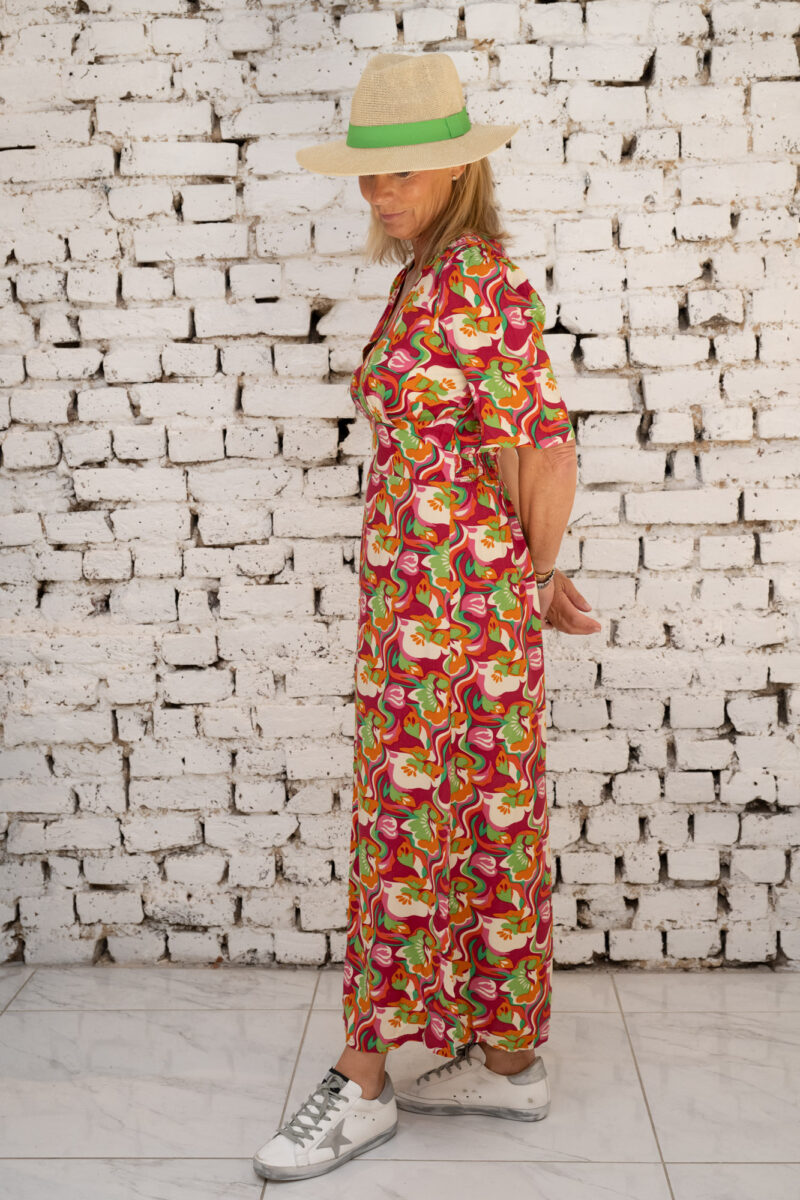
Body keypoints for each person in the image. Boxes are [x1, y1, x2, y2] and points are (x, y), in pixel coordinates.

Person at [253, 50, 601, 1184]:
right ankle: (508, 1063)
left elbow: (542, 448)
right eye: (369, 171)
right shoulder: (428, 277)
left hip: (451, 614)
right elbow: (482, 439)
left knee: (405, 828)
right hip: (434, 603)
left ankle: (362, 1081)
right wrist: (525, 578)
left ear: (456, 168)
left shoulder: (479, 283)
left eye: (401, 170)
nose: (379, 189)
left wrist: (535, 573)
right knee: (486, 820)